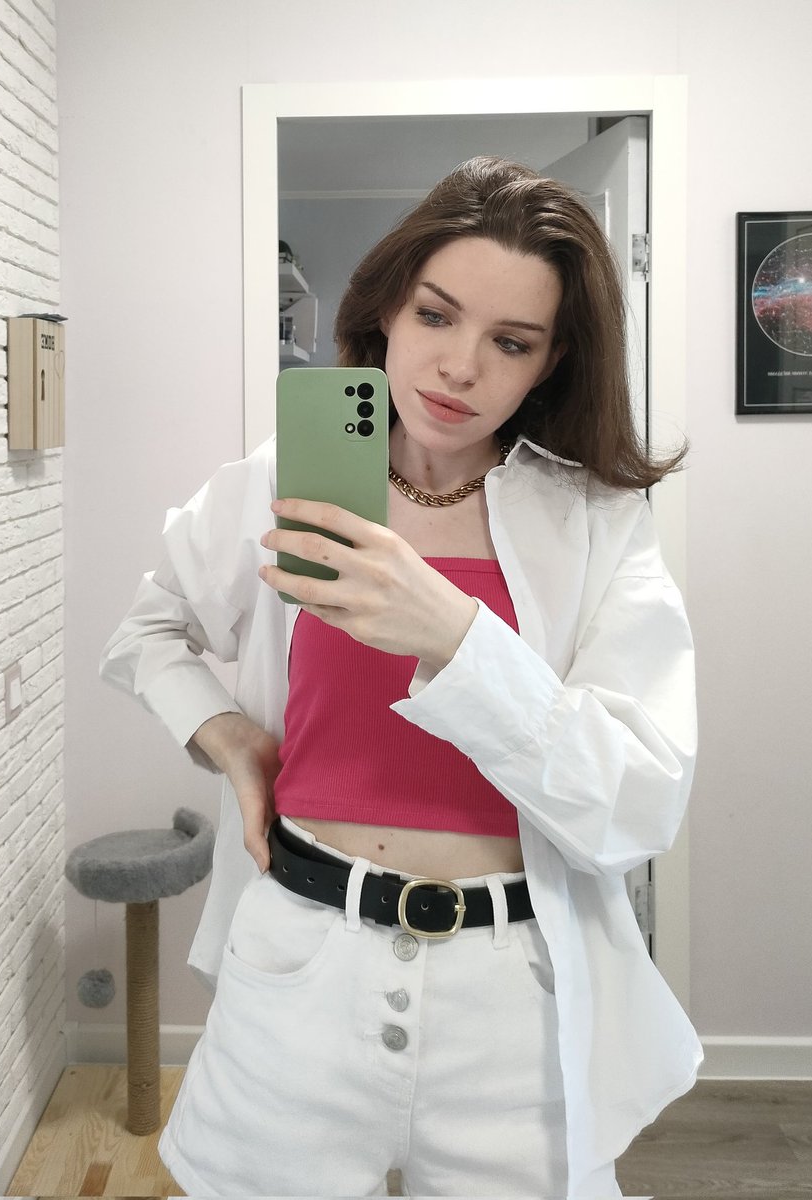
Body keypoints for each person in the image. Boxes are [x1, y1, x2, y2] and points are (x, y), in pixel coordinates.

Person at [100, 155, 702, 1198]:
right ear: (385, 309)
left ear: (551, 362)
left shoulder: (598, 522)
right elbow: (146, 631)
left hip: (512, 1004)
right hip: (296, 972)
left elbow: (638, 803)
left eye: (510, 341)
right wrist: (231, 742)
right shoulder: (284, 482)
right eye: (435, 314)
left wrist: (454, 635)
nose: (459, 367)